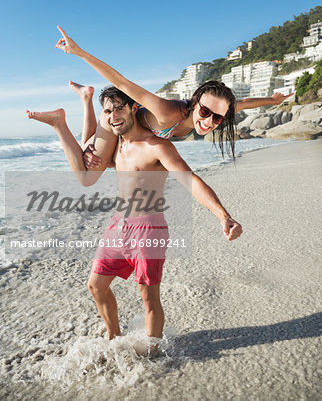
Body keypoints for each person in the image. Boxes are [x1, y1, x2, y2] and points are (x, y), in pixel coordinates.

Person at [26, 86, 242, 342]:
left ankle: (153, 353)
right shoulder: (117, 146)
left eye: (119, 108)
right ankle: (114, 337)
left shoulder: (156, 147)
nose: (113, 115)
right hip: (118, 225)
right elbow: (88, 153)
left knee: (149, 298)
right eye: (107, 111)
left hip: (149, 229)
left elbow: (190, 180)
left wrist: (223, 215)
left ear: (134, 108)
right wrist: (81, 115)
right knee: (96, 286)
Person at [55, 25, 293, 167]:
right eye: (205, 112)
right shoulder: (168, 111)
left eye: (217, 118)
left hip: (132, 138)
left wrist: (272, 100)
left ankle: (86, 98)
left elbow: (241, 105)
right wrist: (79, 52)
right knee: (88, 169)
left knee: (109, 163)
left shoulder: (211, 113)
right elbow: (121, 82)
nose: (210, 121)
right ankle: (64, 117)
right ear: (197, 103)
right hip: (119, 122)